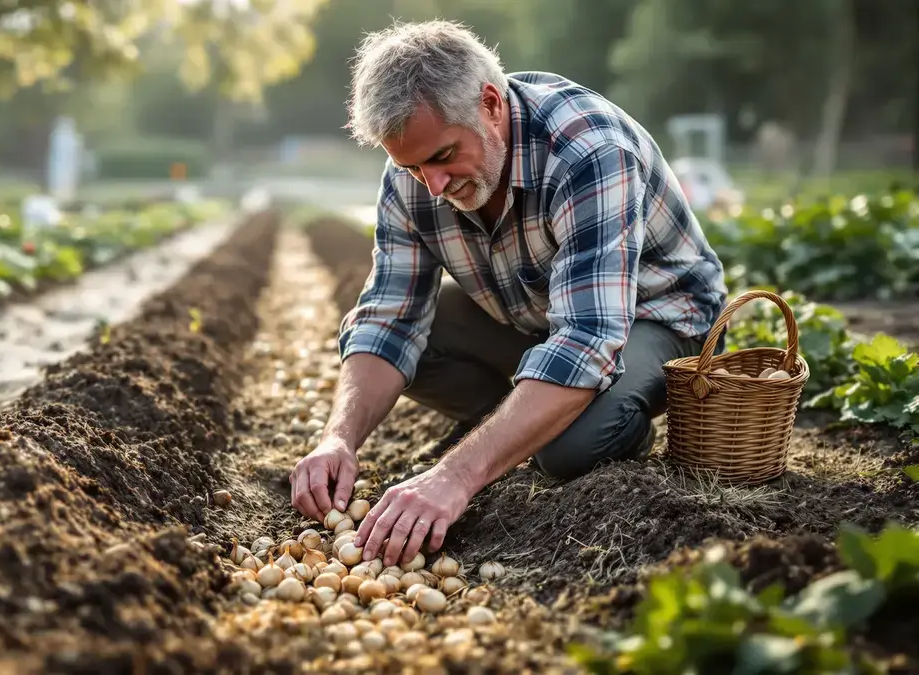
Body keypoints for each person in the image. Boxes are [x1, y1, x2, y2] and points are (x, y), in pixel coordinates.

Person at [288, 20, 728, 567]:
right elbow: (388, 318)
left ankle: (577, 421)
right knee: (403, 340)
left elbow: (589, 338)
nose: (433, 185)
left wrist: (455, 475)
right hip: (537, 320)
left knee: (570, 448)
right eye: (412, 166)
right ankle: (526, 415)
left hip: (659, 318)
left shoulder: (588, 153)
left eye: (445, 157)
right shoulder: (416, 168)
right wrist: (339, 439)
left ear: (491, 106)